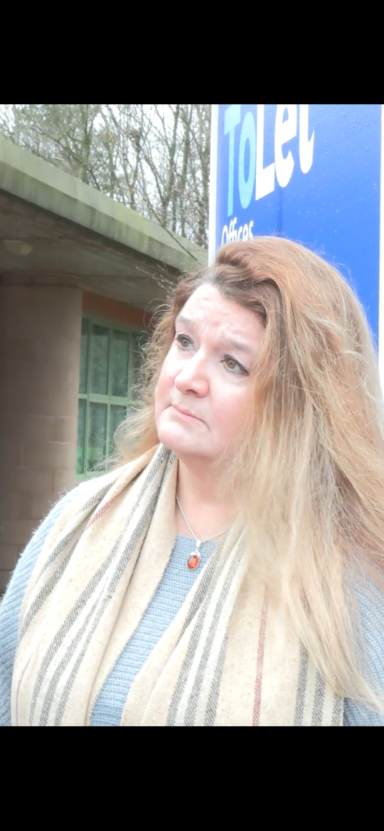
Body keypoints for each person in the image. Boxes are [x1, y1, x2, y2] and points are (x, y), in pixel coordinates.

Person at [1, 236, 384, 727]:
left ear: (298, 404)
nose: (187, 377)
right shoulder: (74, 524)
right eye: (185, 342)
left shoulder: (349, 582)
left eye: (232, 363)